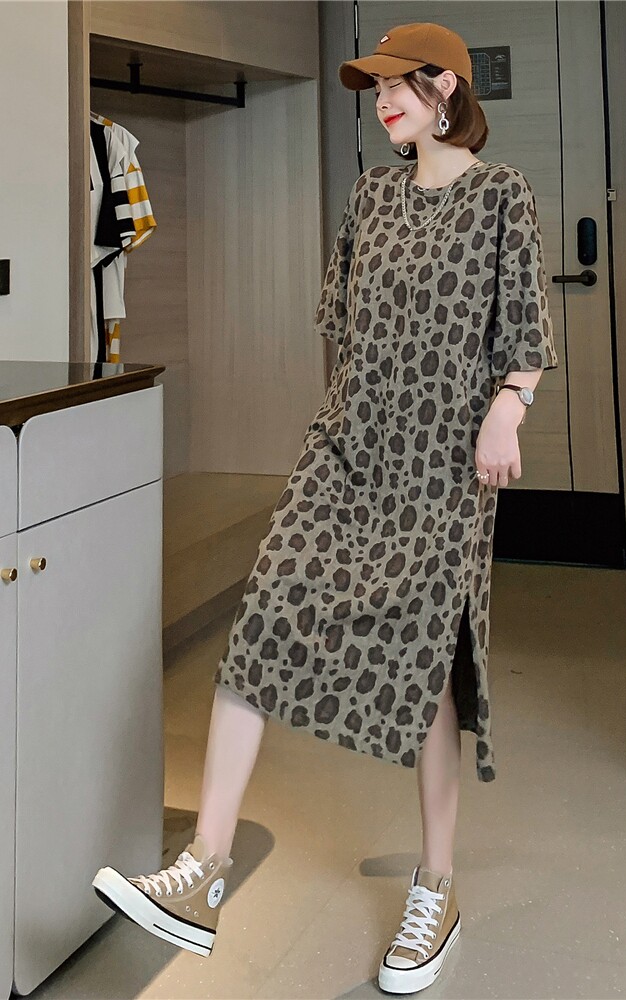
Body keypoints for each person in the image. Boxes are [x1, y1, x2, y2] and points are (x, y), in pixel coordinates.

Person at [92, 21, 558, 996]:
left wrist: (507, 407)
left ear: (444, 87)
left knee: (426, 665)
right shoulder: (371, 194)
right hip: (347, 453)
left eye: (395, 85)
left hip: (443, 469)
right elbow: (342, 323)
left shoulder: (501, 195)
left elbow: (523, 330)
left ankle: (437, 888)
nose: (380, 101)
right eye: (372, 87)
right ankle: (204, 871)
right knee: (262, 622)